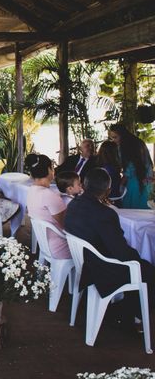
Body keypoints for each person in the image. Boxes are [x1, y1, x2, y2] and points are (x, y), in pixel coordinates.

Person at [65, 168, 155, 324]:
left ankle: (129, 311)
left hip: (85, 263)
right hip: (101, 269)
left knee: (140, 265)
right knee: (147, 269)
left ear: (84, 185)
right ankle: (136, 317)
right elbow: (121, 252)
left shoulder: (73, 204)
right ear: (107, 190)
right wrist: (138, 259)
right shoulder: (105, 214)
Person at [25, 153, 70, 259]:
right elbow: (67, 224)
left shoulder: (31, 190)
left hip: (45, 244)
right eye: (52, 167)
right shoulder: (49, 195)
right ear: (49, 170)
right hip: (60, 246)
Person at [109, 123, 153, 209]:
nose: (113, 140)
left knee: (133, 209)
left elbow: (129, 169)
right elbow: (148, 164)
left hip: (135, 182)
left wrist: (121, 183)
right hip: (145, 180)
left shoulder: (124, 147)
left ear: (122, 135)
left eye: (115, 137)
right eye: (112, 138)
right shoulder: (139, 142)